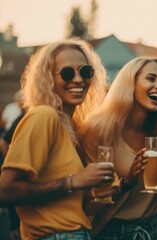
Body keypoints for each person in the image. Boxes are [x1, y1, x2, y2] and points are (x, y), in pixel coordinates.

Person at [0, 38, 115, 239]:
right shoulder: (44, 116)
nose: (78, 80)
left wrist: (104, 191)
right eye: (67, 72)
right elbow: (6, 191)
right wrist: (74, 181)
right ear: (48, 79)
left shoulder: (69, 128)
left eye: (86, 71)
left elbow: (77, 209)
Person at [78, 56, 157, 239]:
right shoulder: (98, 131)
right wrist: (126, 182)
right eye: (151, 78)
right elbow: (88, 205)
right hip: (113, 231)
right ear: (130, 84)